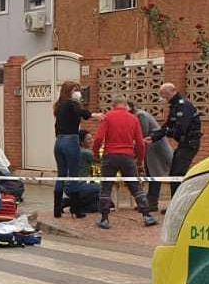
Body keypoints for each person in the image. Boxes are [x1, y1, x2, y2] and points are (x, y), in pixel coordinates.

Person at [92, 98, 158, 229]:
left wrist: (95, 153)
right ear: (126, 105)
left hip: (110, 155)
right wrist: (139, 160)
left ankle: (104, 219)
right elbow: (140, 143)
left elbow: (99, 138)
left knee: (106, 187)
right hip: (127, 156)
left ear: (113, 105)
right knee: (135, 187)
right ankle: (147, 215)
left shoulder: (108, 117)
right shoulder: (133, 118)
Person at [149, 82, 202, 210]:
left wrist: (167, 132)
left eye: (165, 95)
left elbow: (180, 129)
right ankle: (176, 205)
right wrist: (153, 137)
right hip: (184, 144)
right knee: (175, 174)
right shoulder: (175, 106)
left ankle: (179, 206)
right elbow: (168, 125)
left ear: (172, 91)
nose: (164, 98)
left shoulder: (183, 106)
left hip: (189, 144)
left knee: (177, 173)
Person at [52, 81, 95, 218]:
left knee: (61, 175)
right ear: (68, 91)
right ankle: (76, 209)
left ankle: (57, 209)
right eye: (75, 90)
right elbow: (82, 113)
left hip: (59, 141)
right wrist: (94, 115)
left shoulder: (59, 106)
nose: (78, 92)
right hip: (71, 140)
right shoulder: (71, 103)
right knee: (74, 175)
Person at [130, 101, 172, 211]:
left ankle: (152, 202)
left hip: (155, 147)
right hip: (150, 146)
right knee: (151, 173)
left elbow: (142, 133)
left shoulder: (140, 115)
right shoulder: (138, 115)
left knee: (154, 173)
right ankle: (150, 201)